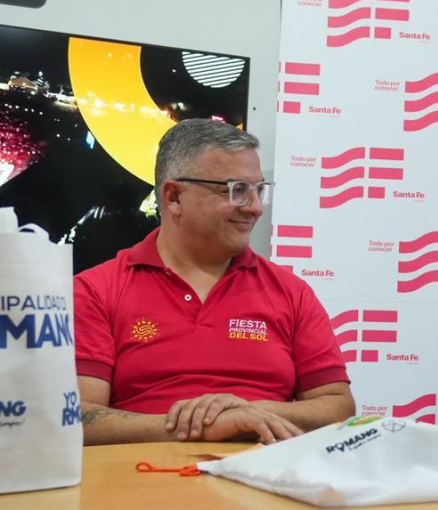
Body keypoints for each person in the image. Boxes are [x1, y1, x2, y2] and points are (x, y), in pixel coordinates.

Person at [74, 119, 355, 445]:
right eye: (237, 190)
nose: (255, 208)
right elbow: (78, 417)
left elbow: (338, 407)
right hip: (142, 472)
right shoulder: (95, 290)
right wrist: (200, 427)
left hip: (267, 471)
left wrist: (248, 412)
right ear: (174, 197)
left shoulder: (292, 292)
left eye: (259, 190)